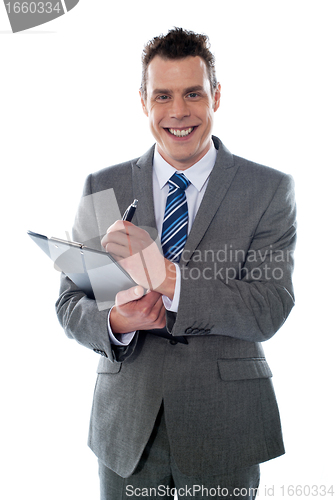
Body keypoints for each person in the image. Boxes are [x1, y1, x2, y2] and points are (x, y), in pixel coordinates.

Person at [56, 28, 296, 499]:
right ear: (143, 101)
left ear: (216, 96)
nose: (178, 112)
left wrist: (165, 275)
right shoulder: (102, 186)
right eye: (162, 95)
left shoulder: (269, 189)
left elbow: (269, 307)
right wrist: (117, 321)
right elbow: (70, 302)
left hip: (225, 426)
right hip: (127, 431)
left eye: (193, 93)